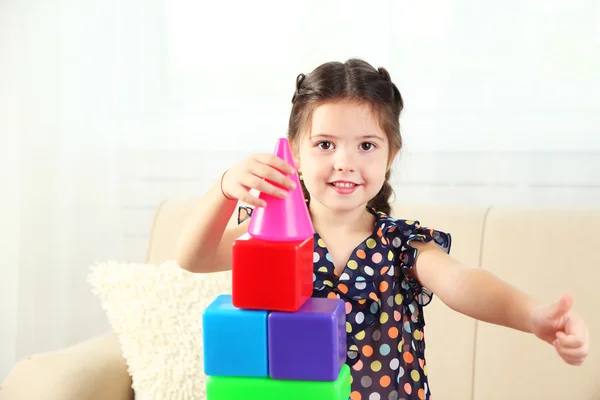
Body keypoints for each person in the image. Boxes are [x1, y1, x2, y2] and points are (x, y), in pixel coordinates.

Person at [177, 58, 590, 400]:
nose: (344, 161)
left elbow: (464, 283)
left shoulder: (403, 243)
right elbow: (193, 257)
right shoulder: (271, 238)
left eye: (366, 145)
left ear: (391, 154)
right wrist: (225, 187)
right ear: (295, 152)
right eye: (325, 144)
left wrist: (532, 314)